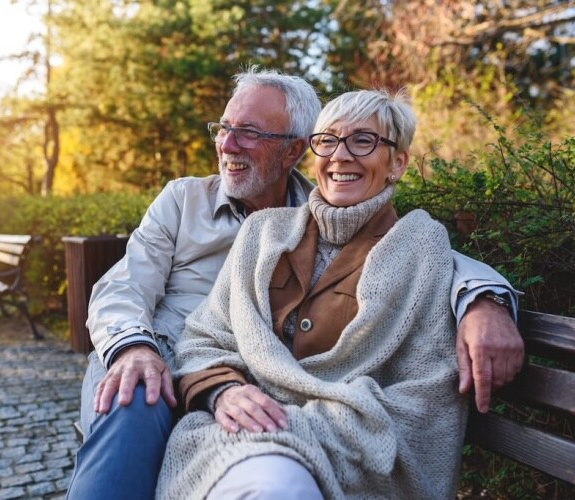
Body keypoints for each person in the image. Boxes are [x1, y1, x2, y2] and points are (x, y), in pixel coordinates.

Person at [67, 68, 523, 499]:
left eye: (250, 132)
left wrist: (485, 300)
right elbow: (123, 288)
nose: (228, 143)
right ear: (317, 148)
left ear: (292, 150)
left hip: (252, 396)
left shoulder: (327, 209)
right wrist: (134, 349)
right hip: (161, 357)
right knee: (132, 399)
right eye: (223, 128)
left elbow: (423, 253)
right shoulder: (189, 201)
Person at [157, 88, 476, 498]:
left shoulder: (421, 246)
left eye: (364, 140)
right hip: (233, 436)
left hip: (346, 450)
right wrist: (225, 390)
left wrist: (294, 425)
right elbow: (205, 337)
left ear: (397, 163)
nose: (341, 155)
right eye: (327, 140)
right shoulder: (262, 232)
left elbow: (427, 392)